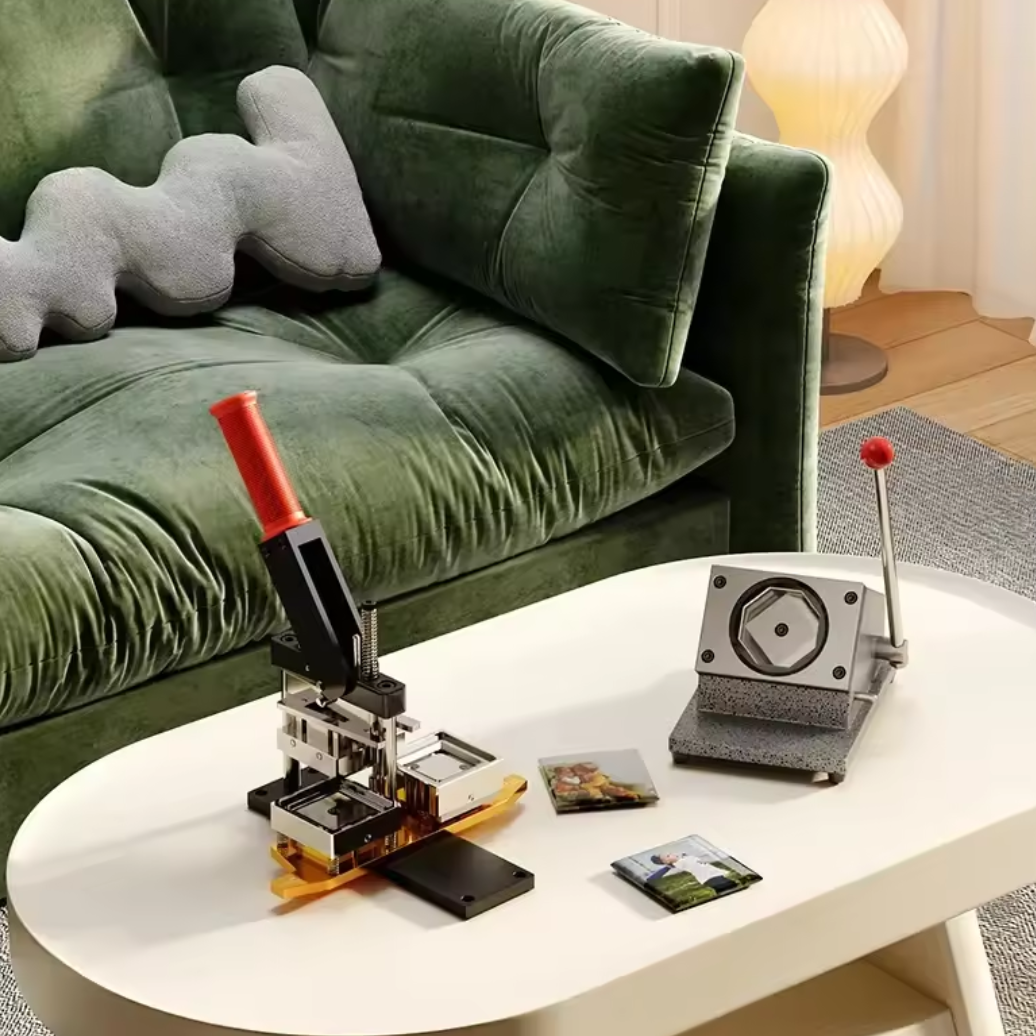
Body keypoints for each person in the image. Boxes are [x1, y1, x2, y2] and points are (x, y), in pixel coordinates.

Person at [647, 852, 739, 894]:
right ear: (666, 862)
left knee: (728, 887)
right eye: (667, 856)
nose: (670, 853)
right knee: (728, 887)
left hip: (712, 875)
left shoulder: (683, 859)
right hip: (710, 878)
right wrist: (667, 866)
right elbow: (679, 863)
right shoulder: (679, 863)